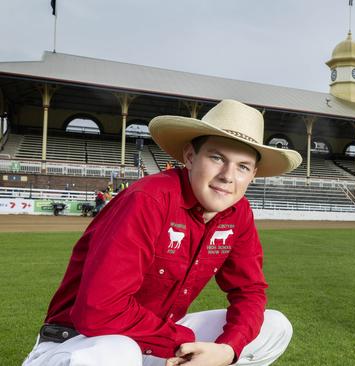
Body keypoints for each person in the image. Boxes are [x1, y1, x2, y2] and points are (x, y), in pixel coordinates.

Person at [23, 99, 302, 366]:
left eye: (242, 167)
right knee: (118, 351)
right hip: (80, 342)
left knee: (275, 326)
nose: (228, 176)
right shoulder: (149, 199)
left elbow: (250, 290)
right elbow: (100, 310)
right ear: (190, 157)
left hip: (152, 338)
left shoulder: (238, 212)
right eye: (217, 158)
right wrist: (184, 343)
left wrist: (227, 350)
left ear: (253, 175)